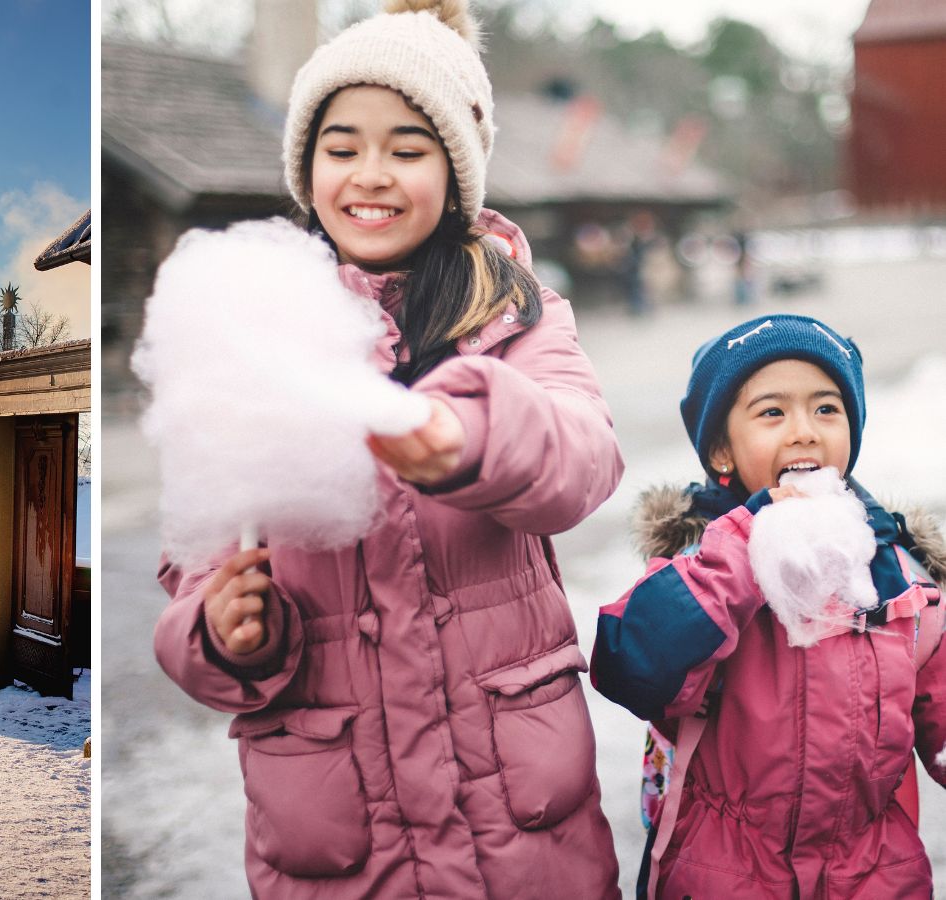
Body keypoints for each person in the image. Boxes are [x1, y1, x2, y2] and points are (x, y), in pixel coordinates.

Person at [151, 2, 624, 895]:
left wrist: (472, 434)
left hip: (519, 829)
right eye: (342, 147)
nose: (371, 175)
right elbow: (192, 566)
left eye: (407, 149)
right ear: (307, 166)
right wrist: (219, 633)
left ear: (455, 170)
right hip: (341, 832)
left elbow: (584, 456)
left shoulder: (515, 314)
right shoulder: (254, 335)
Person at [591, 315, 946, 897]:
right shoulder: (700, 565)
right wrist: (742, 549)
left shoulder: (899, 581)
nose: (805, 431)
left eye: (827, 409)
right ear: (721, 452)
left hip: (876, 872)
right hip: (724, 870)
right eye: (772, 412)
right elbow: (631, 669)